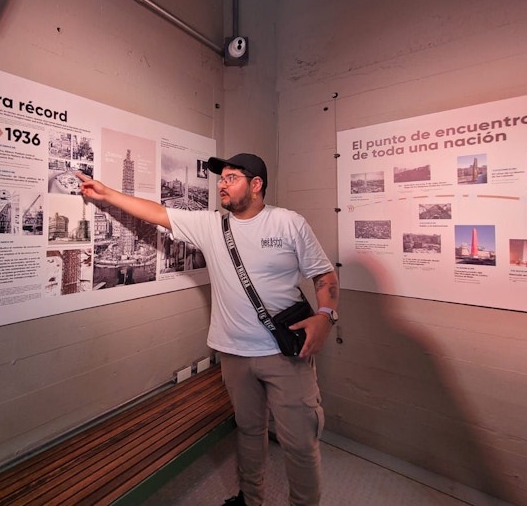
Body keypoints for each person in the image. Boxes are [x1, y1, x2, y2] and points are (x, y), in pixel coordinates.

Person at [76, 153, 339, 506]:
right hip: (233, 354)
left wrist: (325, 317)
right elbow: (157, 213)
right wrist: (106, 193)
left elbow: (325, 276)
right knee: (248, 432)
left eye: (231, 178)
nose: (221, 185)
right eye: (221, 179)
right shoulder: (212, 225)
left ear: (256, 185)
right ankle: (250, 499)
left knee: (300, 442)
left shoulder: (288, 223)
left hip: (285, 354)